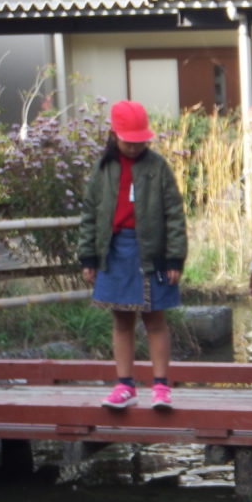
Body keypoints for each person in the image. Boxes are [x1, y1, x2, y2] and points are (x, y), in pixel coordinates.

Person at [78, 99, 187, 410]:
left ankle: (161, 387)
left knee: (155, 319)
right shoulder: (103, 169)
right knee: (121, 320)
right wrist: (89, 257)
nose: (135, 147)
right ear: (114, 135)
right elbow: (90, 214)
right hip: (114, 251)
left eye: (141, 142)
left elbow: (174, 214)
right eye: (129, 141)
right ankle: (124, 384)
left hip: (152, 252)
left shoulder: (158, 167)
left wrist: (174, 258)